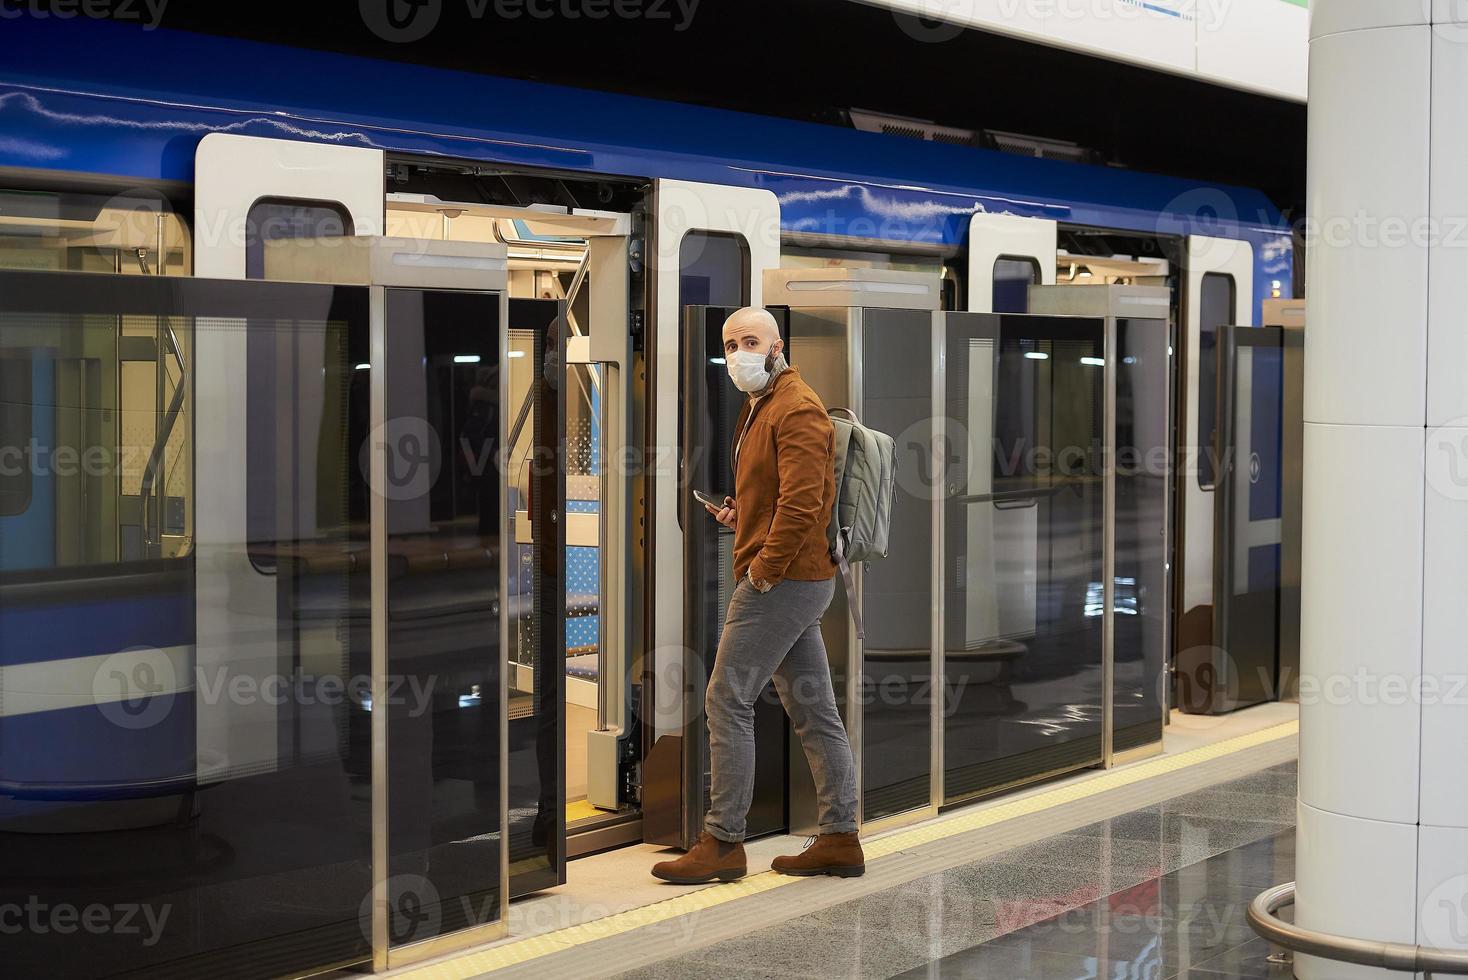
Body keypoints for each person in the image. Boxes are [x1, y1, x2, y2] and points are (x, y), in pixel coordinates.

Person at [651, 307, 864, 885]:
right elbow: (778, 496)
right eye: (729, 343)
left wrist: (764, 571)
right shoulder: (764, 405)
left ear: (778, 347)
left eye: (750, 341)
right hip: (796, 578)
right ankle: (840, 837)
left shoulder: (795, 408)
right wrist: (741, 513)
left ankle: (722, 842)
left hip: (784, 580)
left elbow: (803, 505)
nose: (738, 352)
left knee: (726, 699)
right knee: (813, 708)